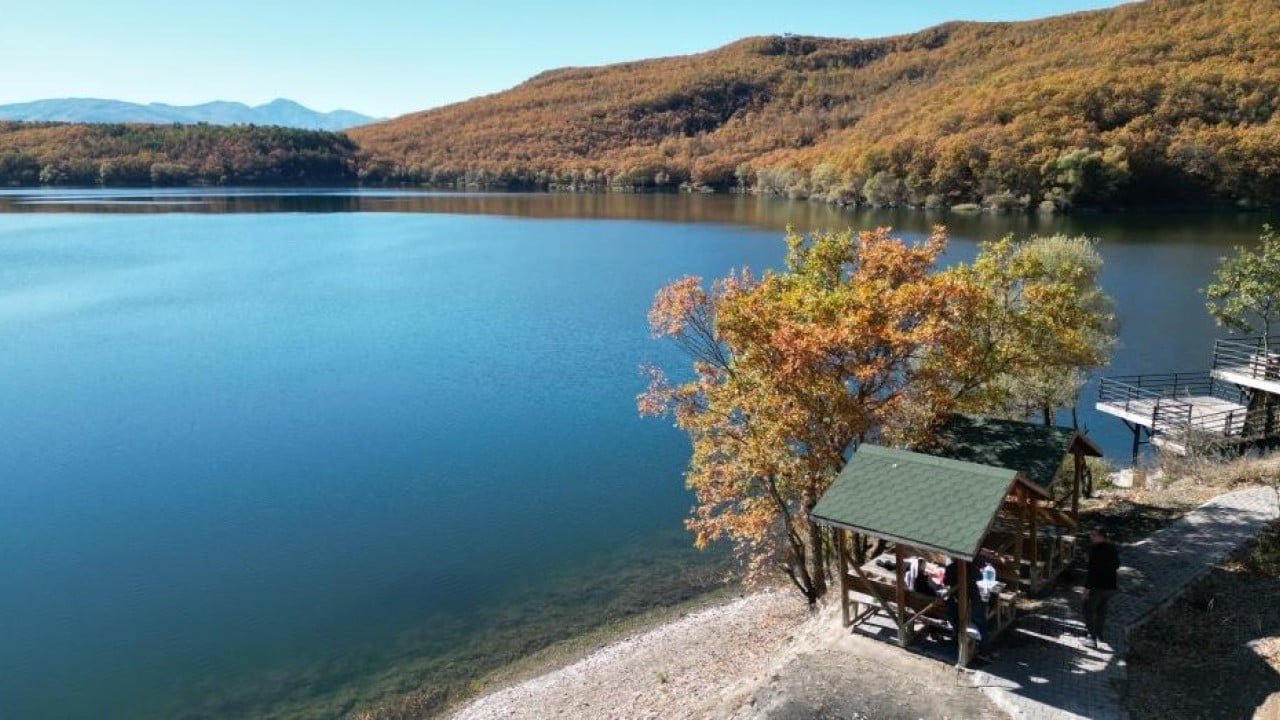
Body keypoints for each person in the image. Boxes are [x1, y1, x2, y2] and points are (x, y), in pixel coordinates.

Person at [1083, 528, 1120, 648]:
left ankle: (1091, 638)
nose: (1091, 537)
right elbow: (1117, 565)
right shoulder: (1112, 548)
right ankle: (1099, 634)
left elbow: (1092, 571)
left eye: (1094, 535)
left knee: (1088, 610)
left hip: (1096, 586)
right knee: (1102, 611)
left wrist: (1087, 589)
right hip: (1110, 586)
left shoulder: (1095, 550)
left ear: (1101, 536)